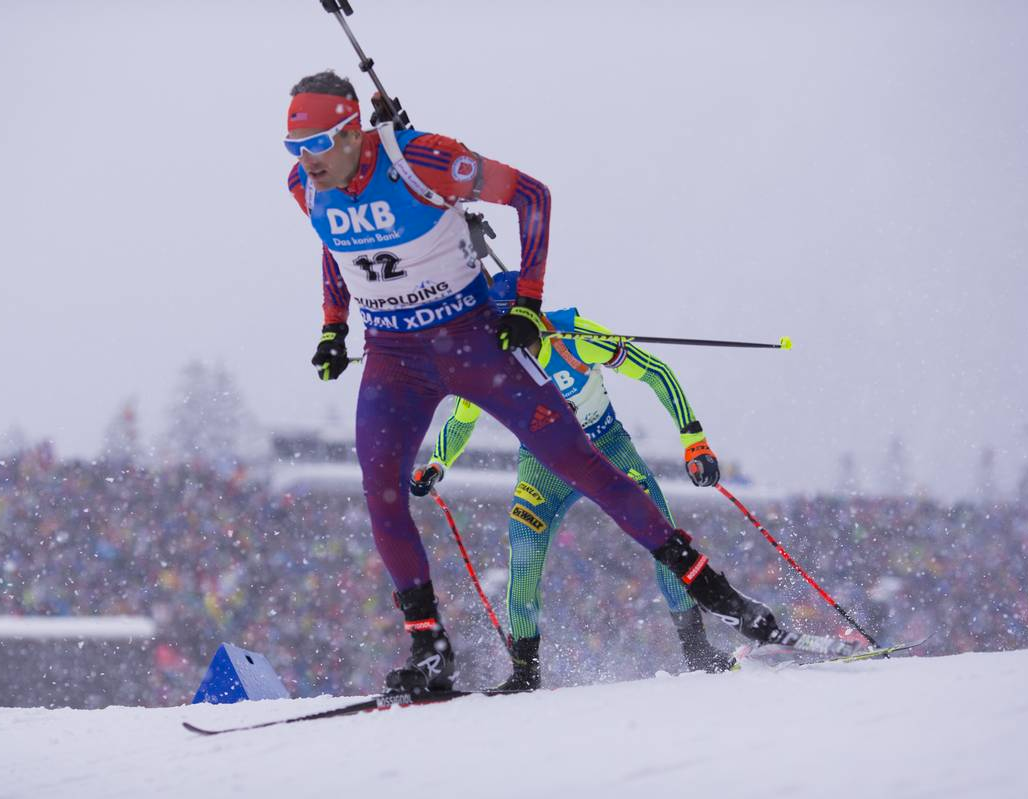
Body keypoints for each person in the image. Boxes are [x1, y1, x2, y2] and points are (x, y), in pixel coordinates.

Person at [284, 70, 783, 696]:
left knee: (584, 464)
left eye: (321, 142)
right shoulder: (303, 185)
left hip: (472, 343)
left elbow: (532, 197)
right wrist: (334, 325)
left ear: (354, 130)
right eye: (294, 148)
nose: (307, 160)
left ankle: (710, 589)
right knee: (380, 493)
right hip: (394, 358)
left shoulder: (422, 159)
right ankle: (431, 649)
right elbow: (335, 246)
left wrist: (526, 301)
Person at [409, 272, 732, 689]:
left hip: (606, 447)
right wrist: (437, 463)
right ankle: (525, 672)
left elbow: (656, 372)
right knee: (522, 558)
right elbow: (462, 418)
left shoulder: (576, 337)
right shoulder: (489, 362)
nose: (505, 346)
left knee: (665, 542)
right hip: (545, 463)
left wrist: (695, 442)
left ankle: (698, 651)